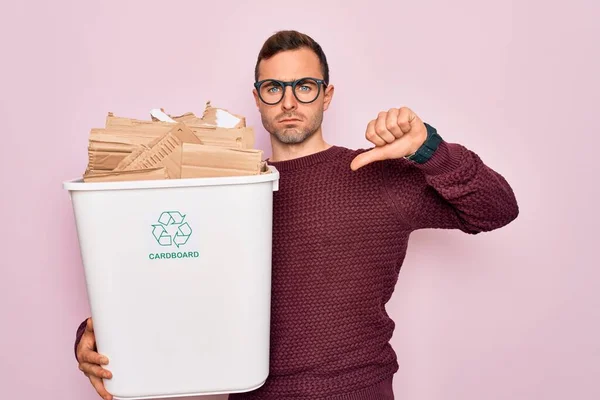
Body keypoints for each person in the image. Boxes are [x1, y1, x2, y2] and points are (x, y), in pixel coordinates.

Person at [73, 30, 519, 400]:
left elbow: (497, 209)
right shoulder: (219, 191)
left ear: (327, 95)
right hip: (254, 392)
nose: (289, 102)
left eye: (304, 87)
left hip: (359, 391)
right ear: (258, 98)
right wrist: (97, 336)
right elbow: (163, 278)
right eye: (274, 88)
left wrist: (429, 150)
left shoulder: (378, 174)